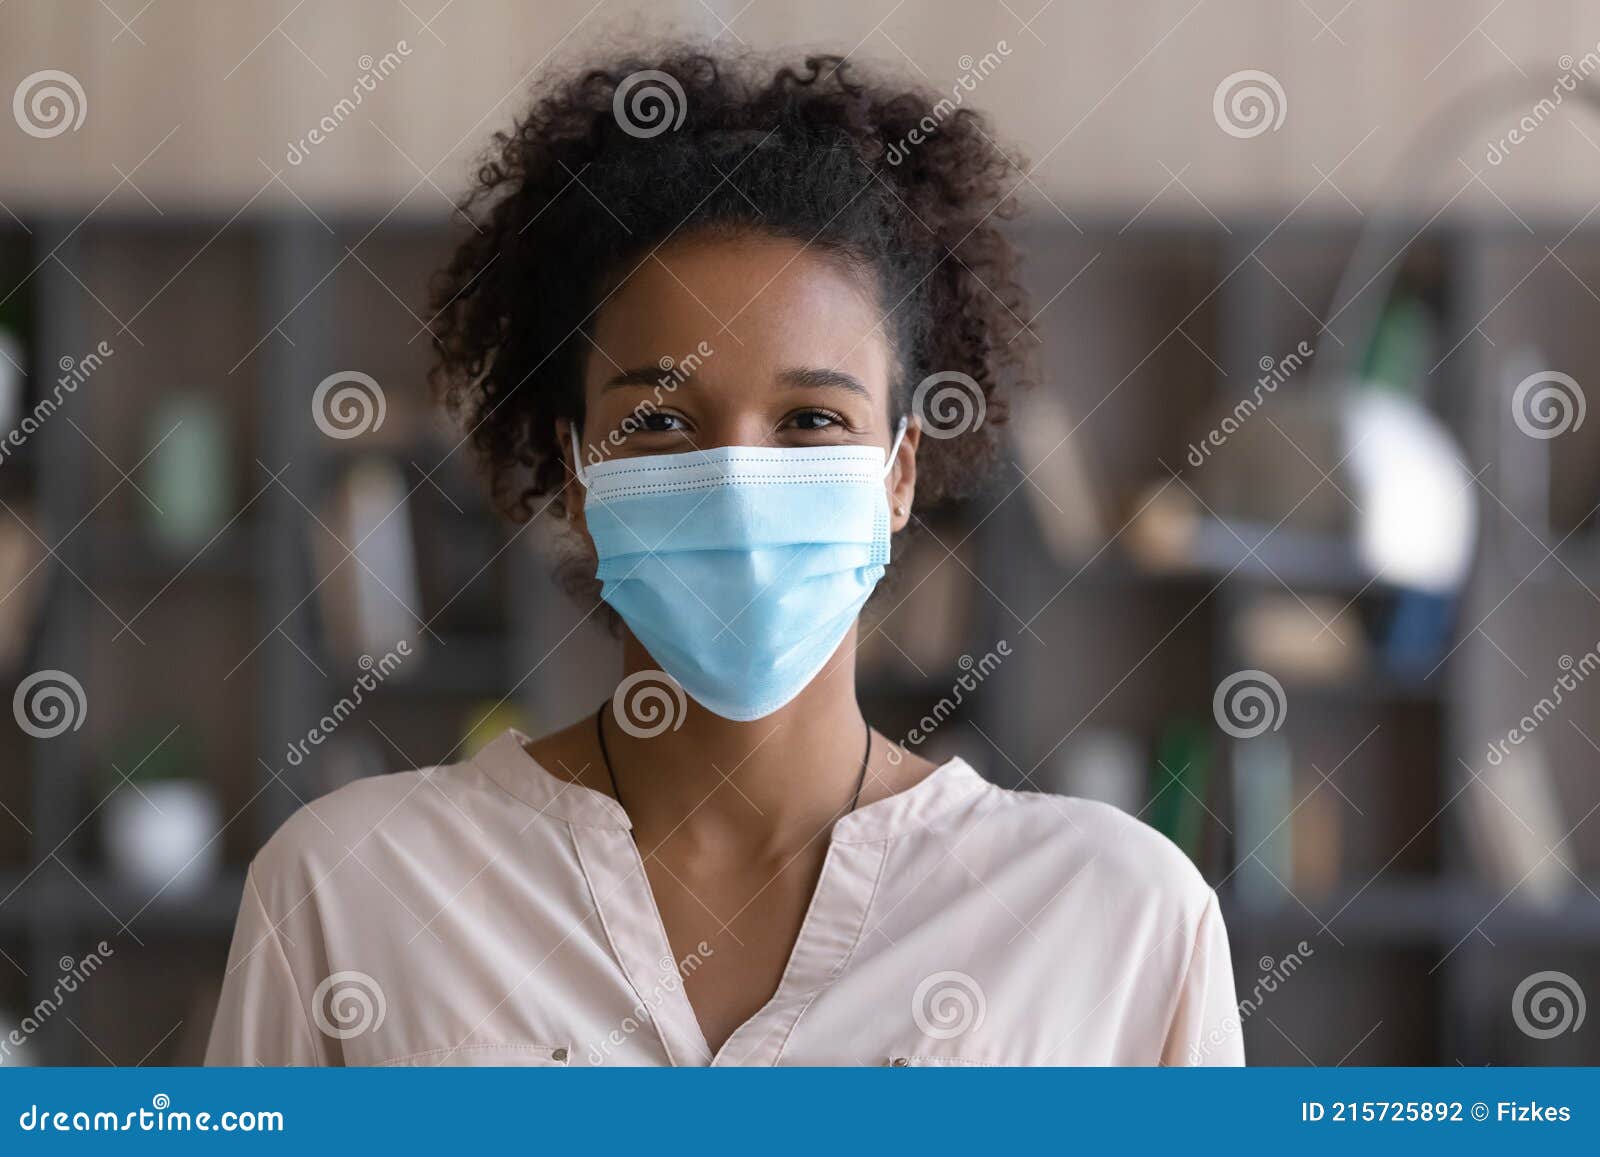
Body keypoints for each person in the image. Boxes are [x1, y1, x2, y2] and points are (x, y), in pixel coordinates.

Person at [206, 47, 1242, 1067]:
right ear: (574, 471)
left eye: (809, 418)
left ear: (897, 472)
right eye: (658, 419)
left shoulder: (1118, 918)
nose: (739, 482)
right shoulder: (349, 891)